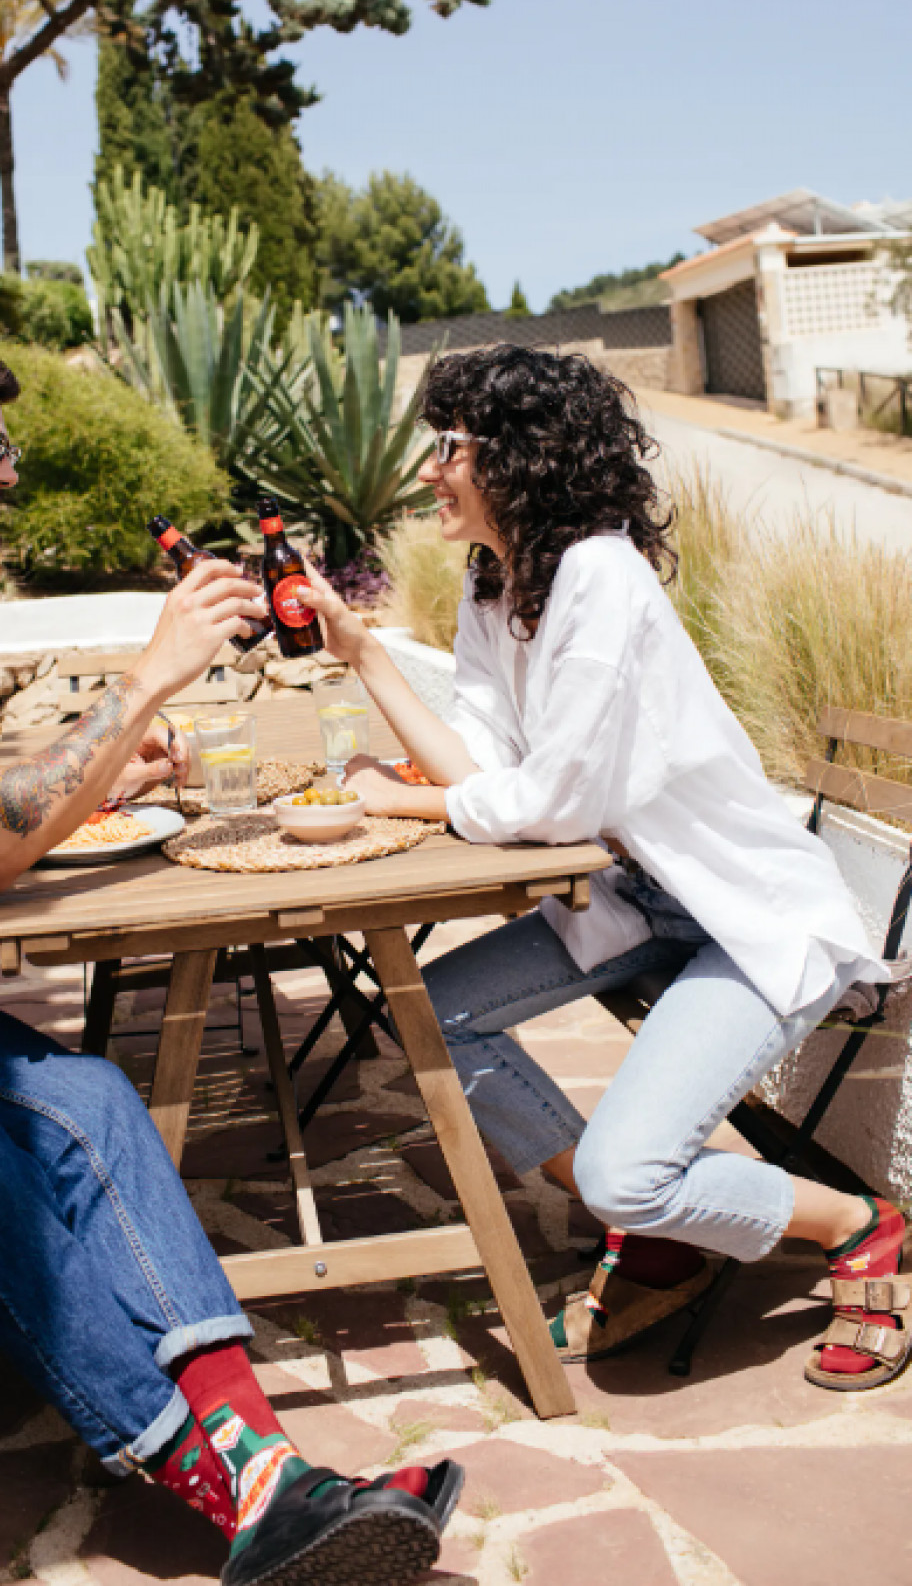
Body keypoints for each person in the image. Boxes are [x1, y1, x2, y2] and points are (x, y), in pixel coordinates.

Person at [0, 333, 463, 1586]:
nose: (8, 472)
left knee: (94, 1101)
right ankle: (231, 1485)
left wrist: (112, 753)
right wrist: (145, 682)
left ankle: (269, 1470)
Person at [298, 344, 911, 1393]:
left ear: (520, 455)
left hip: (741, 918)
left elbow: (554, 805)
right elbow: (486, 771)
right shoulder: (495, 587)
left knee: (634, 1171)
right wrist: (365, 657)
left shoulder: (600, 575)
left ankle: (861, 1225)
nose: (429, 469)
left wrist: (397, 799)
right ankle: (662, 1219)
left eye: (449, 446)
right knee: (425, 1010)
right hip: (635, 903)